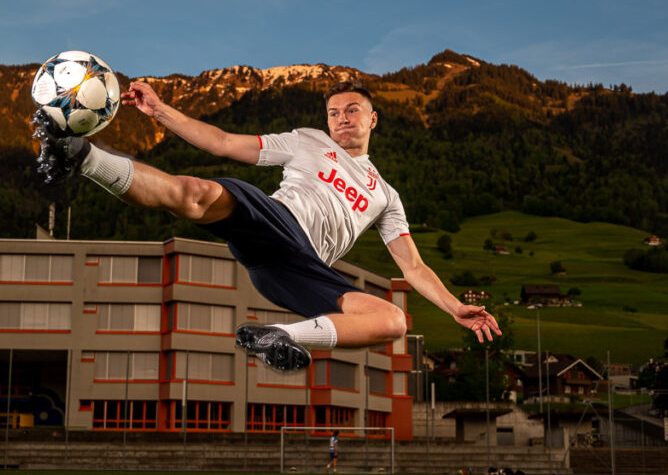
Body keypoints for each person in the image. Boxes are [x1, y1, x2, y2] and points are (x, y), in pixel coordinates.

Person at [31, 79, 501, 370]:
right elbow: (220, 142)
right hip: (277, 219)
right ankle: (80, 155)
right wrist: (160, 111)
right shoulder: (308, 141)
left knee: (393, 321)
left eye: (352, 110)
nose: (341, 119)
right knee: (194, 195)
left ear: (373, 119)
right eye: (334, 112)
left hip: (298, 269)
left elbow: (413, 268)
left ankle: (278, 337)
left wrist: (455, 307)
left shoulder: (385, 194)